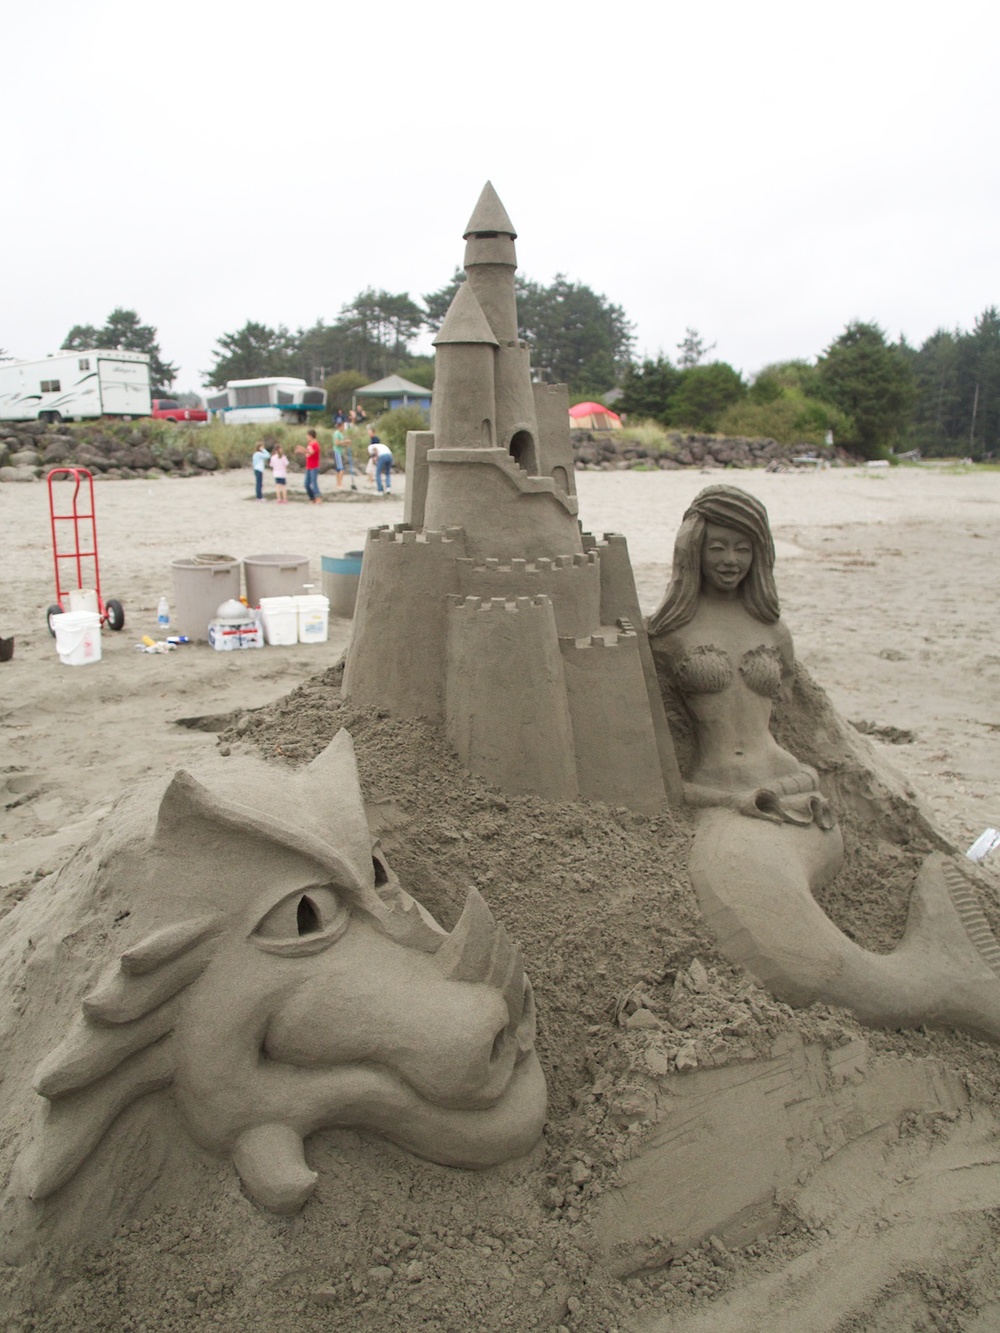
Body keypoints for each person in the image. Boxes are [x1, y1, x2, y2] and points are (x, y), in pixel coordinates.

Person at [648, 483, 1000, 1041]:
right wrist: (721, 800)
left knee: (775, 923)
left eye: (744, 548)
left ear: (760, 553)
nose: (731, 561)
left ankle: (949, 983)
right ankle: (946, 984)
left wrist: (788, 787)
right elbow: (661, 763)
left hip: (799, 796)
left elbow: (793, 722)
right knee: (758, 920)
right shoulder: (667, 636)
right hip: (728, 802)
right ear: (693, 548)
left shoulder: (773, 632)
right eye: (718, 547)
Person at [295, 428, 322, 503]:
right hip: (309, 466)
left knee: (314, 482)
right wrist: (301, 450)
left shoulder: (315, 444)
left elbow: (311, 452)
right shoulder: (310, 444)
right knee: (306, 484)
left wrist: (301, 449)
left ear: (310, 436)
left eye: (307, 435)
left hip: (314, 466)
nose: (306, 437)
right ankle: (312, 498)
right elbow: (308, 453)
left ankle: (318, 497)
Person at [367, 429, 393, 495]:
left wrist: (375, 458)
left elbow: (374, 452)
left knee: (378, 473)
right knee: (387, 472)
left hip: (382, 456)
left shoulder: (370, 447)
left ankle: (380, 490)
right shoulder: (381, 445)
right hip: (389, 455)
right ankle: (388, 488)